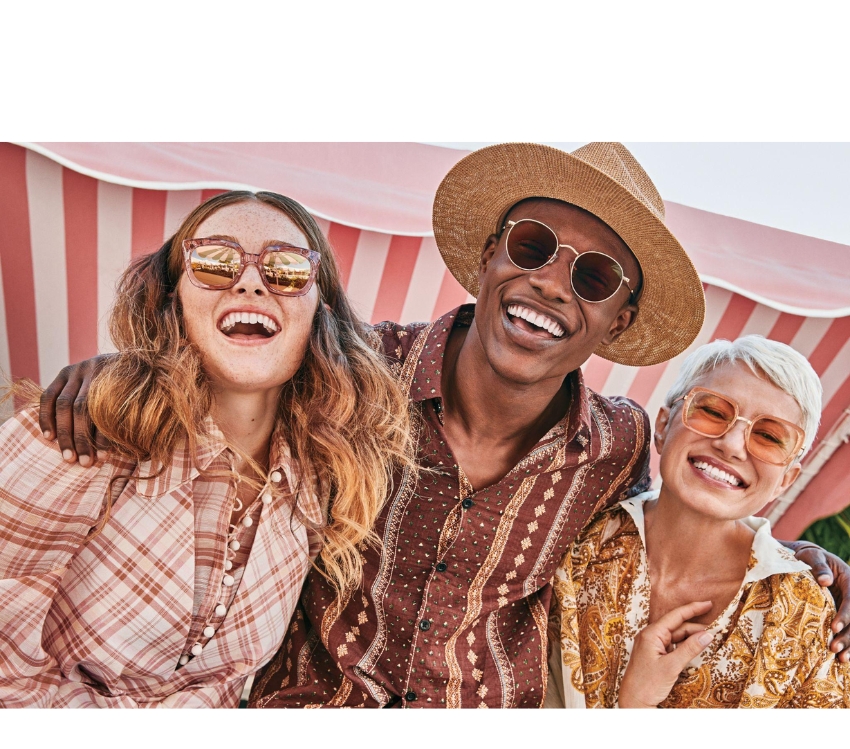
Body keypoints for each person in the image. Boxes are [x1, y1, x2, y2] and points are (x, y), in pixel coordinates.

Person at [39, 144, 850, 708]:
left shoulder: (622, 443)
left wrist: (801, 557)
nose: (550, 283)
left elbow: (696, 500)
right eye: (533, 245)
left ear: (619, 317)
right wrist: (124, 369)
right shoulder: (352, 371)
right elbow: (235, 358)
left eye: (594, 275)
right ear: (492, 254)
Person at [0, 190, 412, 707]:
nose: (250, 280)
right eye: (215, 262)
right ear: (174, 297)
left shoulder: (324, 479)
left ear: (319, 310)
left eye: (286, 269)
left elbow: (221, 684)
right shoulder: (80, 434)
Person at [547, 336, 849, 708]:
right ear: (663, 425)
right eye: (713, 412)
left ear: (786, 480)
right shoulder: (573, 536)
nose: (732, 445)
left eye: (769, 437)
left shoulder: (805, 614)